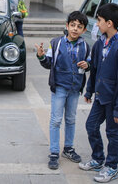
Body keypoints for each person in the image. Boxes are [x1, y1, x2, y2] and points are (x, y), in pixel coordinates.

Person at [79, 3, 118, 183]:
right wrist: (89, 91)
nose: (96, 24)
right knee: (91, 126)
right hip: (100, 96)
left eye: (99, 20)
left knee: (112, 132)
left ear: (110, 23)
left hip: (114, 100)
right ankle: (98, 158)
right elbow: (94, 69)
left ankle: (112, 167)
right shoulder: (99, 44)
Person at [34, 11, 90, 170]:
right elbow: (48, 63)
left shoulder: (85, 46)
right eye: (72, 25)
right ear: (67, 26)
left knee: (71, 119)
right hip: (59, 87)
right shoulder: (56, 43)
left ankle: (68, 148)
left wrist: (88, 66)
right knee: (56, 120)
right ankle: (53, 152)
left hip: (75, 88)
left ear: (84, 30)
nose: (75, 29)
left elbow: (89, 64)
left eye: (79, 27)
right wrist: (41, 56)